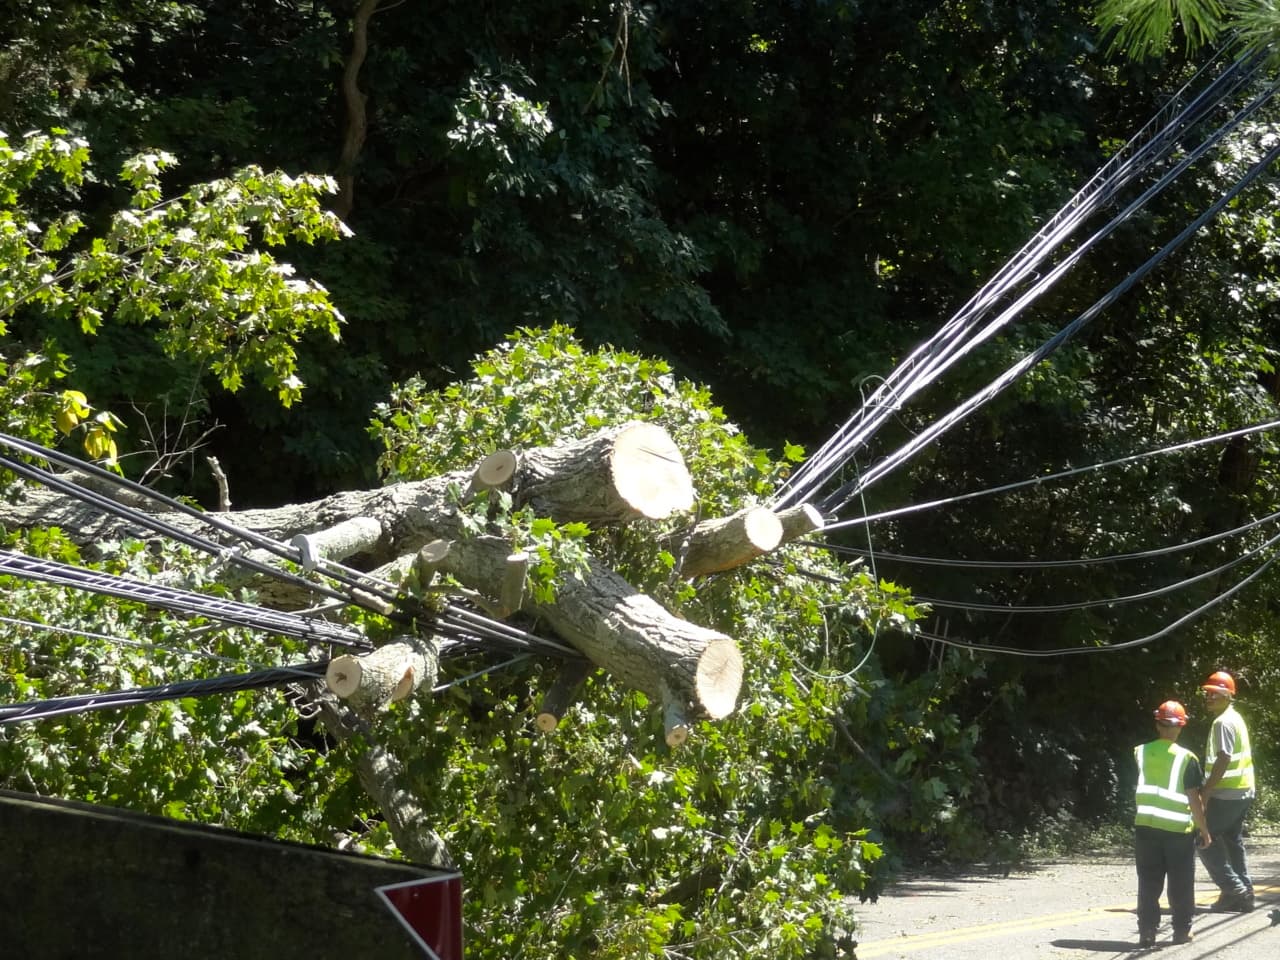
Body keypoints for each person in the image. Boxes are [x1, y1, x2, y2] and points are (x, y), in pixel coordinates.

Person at [1134, 700, 1211, 948]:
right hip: (1178, 832)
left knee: (1148, 882)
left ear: (1158, 724)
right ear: (1181, 727)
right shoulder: (1187, 758)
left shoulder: (1140, 752)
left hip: (1145, 828)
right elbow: (1194, 799)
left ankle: (1147, 931)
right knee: (1181, 883)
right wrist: (1204, 829)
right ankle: (1181, 931)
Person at [1198, 669, 1255, 912]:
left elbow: (1224, 757)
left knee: (1203, 840)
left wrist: (1207, 790)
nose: (1210, 697)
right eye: (1208, 693)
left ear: (1228, 696)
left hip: (1226, 793)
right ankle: (1243, 894)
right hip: (1242, 791)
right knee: (1232, 841)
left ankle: (1235, 889)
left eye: (1216, 694)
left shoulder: (1223, 722)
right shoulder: (1235, 717)